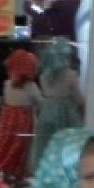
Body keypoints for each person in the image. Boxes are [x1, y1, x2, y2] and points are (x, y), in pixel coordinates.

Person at [0, 49, 42, 181]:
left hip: (7, 117)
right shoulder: (31, 86)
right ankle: (17, 173)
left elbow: (6, 100)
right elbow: (39, 101)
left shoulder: (7, 84)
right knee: (20, 146)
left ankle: (5, 172)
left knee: (5, 144)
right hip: (24, 118)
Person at [28, 40, 84, 174]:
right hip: (65, 112)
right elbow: (79, 98)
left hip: (46, 111)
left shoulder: (43, 76)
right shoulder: (71, 74)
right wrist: (81, 106)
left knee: (44, 143)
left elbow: (44, 94)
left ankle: (45, 172)